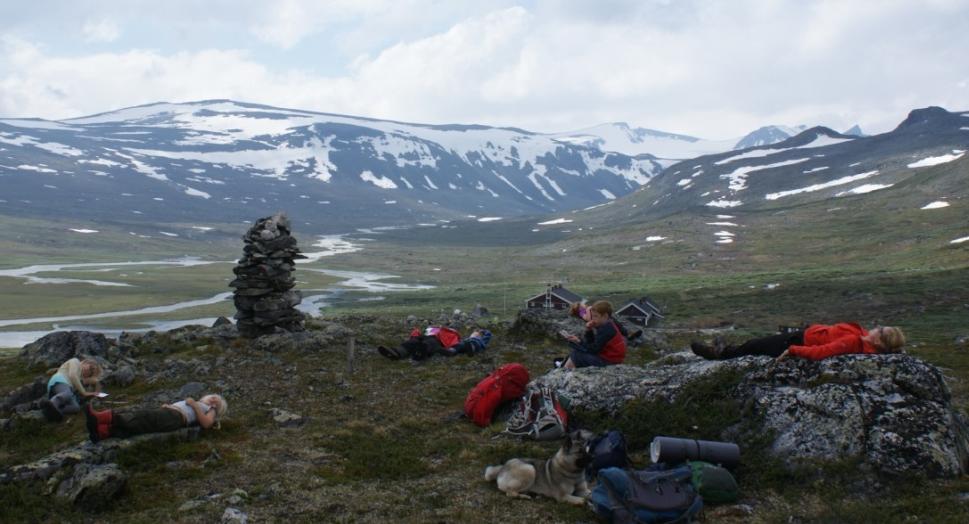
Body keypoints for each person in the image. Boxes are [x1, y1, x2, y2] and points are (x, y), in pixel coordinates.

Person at [690, 323, 906, 361]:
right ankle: (724, 351)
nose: (875, 329)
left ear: (880, 340)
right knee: (756, 345)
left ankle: (719, 355)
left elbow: (823, 351)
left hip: (797, 341)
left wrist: (793, 350)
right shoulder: (862, 336)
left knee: (754, 346)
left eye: (880, 330)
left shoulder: (854, 343)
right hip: (805, 334)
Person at [84, 394, 227, 443]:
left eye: (217, 404)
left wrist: (194, 405)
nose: (213, 402)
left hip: (175, 418)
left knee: (142, 417)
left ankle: (99, 419)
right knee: (141, 423)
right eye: (213, 398)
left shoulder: (209, 409)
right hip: (171, 414)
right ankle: (101, 432)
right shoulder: (199, 403)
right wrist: (169, 406)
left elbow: (207, 423)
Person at [561, 301, 627, 369]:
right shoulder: (606, 325)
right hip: (607, 358)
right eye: (592, 316)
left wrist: (579, 341)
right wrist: (589, 330)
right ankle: (565, 371)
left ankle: (564, 373)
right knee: (577, 351)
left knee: (576, 355)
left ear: (605, 316)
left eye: (596, 316)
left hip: (609, 362)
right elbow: (592, 344)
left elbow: (593, 350)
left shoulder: (606, 329)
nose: (593, 319)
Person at [38, 357, 102, 423]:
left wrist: (96, 385)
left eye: (91, 373)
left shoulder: (80, 379)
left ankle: (55, 411)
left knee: (76, 407)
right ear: (85, 362)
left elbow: (94, 382)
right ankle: (52, 404)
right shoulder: (75, 362)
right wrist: (84, 392)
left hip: (66, 391)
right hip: (60, 380)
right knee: (67, 393)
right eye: (90, 368)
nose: (88, 371)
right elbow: (73, 375)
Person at [569, 301, 643, 342]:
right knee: (615, 324)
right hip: (600, 322)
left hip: (603, 319)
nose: (584, 304)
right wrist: (589, 309)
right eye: (582, 304)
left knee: (616, 323)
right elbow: (587, 318)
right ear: (579, 307)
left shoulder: (584, 310)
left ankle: (627, 334)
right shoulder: (582, 312)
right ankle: (627, 336)